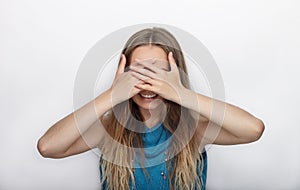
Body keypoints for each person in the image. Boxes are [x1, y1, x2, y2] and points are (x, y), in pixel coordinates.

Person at [37, 27, 265, 190]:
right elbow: (48, 147)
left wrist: (181, 93)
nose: (148, 82)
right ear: (123, 74)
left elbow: (253, 129)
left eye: (158, 72)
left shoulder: (193, 130)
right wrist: (111, 96)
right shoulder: (108, 130)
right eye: (138, 71)